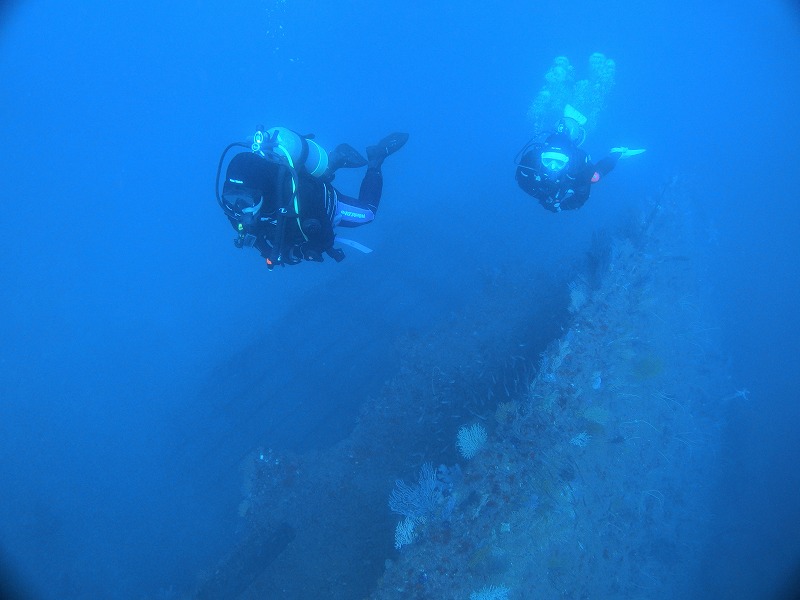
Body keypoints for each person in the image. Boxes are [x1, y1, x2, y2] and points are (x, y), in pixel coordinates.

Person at [216, 126, 408, 269]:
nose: (240, 208)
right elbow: (253, 235)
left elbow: (325, 239)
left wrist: (300, 252)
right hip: (298, 197)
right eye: (232, 199)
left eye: (247, 200)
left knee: (367, 214)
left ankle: (376, 159)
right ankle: (334, 161)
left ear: (262, 192)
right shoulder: (233, 209)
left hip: (326, 205)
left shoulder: (301, 198)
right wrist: (271, 252)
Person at [515, 105, 644, 213]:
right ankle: (568, 126)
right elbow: (521, 181)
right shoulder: (531, 159)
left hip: (574, 172)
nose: (553, 166)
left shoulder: (577, 163)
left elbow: (582, 197)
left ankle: (616, 154)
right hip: (550, 184)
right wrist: (542, 198)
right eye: (548, 161)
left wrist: (561, 207)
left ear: (567, 162)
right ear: (541, 158)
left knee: (595, 177)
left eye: (559, 162)